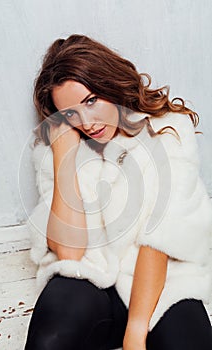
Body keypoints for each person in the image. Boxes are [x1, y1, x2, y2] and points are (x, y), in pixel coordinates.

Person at [24, 34, 212, 350]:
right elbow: (69, 253)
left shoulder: (168, 130)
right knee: (49, 339)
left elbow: (160, 240)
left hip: (161, 284)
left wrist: (135, 333)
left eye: (91, 101)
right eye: (70, 114)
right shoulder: (57, 150)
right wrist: (63, 154)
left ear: (110, 84)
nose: (87, 122)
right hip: (93, 282)